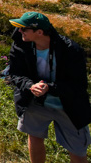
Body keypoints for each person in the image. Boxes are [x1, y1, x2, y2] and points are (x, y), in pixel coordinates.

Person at [7, 12, 91, 163]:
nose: (19, 31)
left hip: (68, 106)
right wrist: (30, 85)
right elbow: (15, 73)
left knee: (77, 149)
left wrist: (49, 88)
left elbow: (78, 86)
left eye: (23, 28)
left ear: (39, 32)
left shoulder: (71, 50)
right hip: (35, 101)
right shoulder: (20, 44)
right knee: (34, 136)